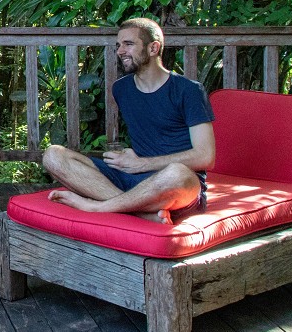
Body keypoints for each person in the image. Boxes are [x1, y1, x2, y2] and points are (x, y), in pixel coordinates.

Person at [42, 17, 215, 224]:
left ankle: (99, 206)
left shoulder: (189, 90)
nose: (120, 51)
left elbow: (206, 156)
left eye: (129, 44)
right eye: (118, 45)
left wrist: (142, 163)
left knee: (177, 174)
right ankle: (139, 212)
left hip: (175, 185)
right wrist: (131, 161)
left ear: (153, 48)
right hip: (132, 178)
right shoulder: (121, 89)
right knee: (53, 155)